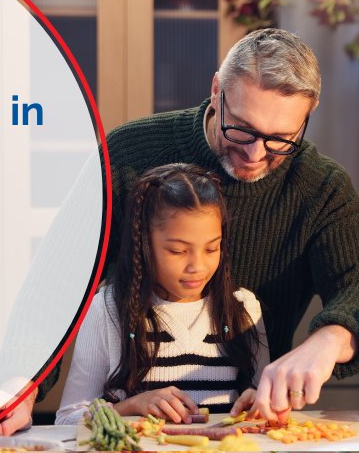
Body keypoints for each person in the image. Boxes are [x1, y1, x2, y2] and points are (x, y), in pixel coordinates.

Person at [0, 28, 359, 434]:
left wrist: (329, 341)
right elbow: (56, 282)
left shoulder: (321, 187)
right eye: (241, 128)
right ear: (217, 90)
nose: (255, 154)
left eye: (280, 139)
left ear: (309, 114)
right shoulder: (129, 153)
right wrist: (19, 383)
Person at [55, 164, 269, 425]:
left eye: (211, 249)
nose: (197, 267)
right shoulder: (108, 310)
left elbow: (265, 404)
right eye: (178, 251)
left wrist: (260, 401)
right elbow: (67, 419)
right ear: (144, 244)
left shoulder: (243, 308)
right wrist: (130, 406)